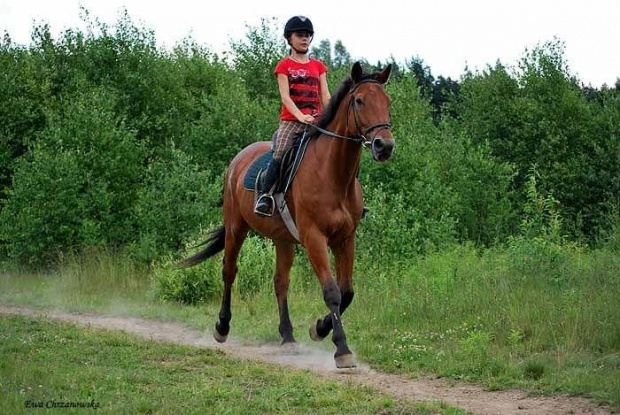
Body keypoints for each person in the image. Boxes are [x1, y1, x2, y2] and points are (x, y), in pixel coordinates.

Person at [255, 15, 331, 216]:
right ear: (289, 38)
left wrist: (330, 116)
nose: (304, 38)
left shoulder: (318, 66)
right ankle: (265, 195)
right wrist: (300, 116)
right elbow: (285, 98)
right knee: (280, 151)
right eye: (299, 35)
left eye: (307, 35)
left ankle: (349, 197)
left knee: (339, 149)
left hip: (317, 121)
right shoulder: (284, 66)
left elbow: (325, 95)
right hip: (292, 120)